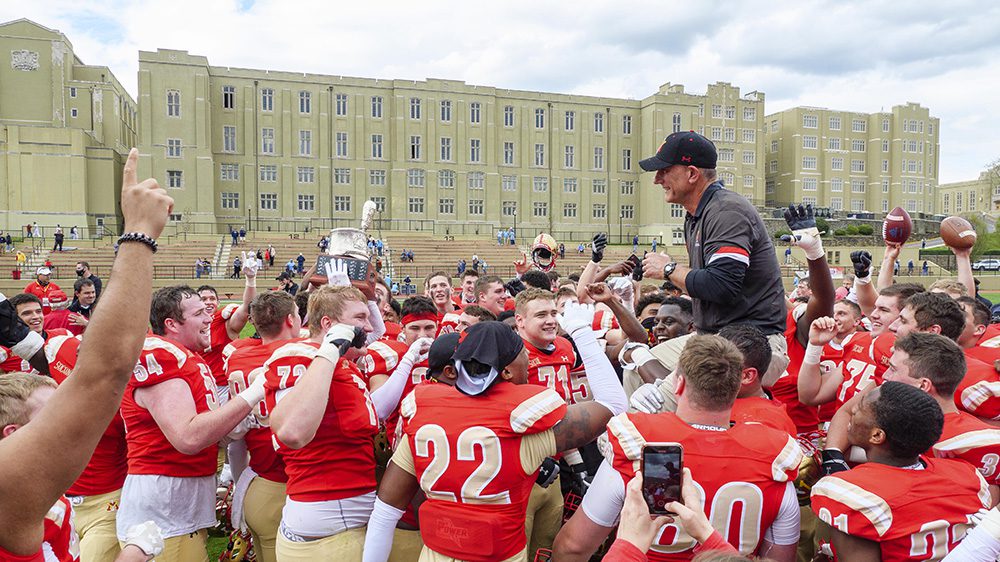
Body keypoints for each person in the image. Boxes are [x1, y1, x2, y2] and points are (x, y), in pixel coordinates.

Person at [0, 147, 172, 560]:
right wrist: (139, 234)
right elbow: (103, 373)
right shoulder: (10, 483)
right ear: (12, 437)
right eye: (52, 412)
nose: (66, 416)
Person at [363, 316, 628, 562]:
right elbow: (613, 403)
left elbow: (385, 511)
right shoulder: (528, 430)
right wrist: (581, 332)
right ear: (509, 372)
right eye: (523, 354)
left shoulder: (424, 416)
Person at [554, 335, 802, 561]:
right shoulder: (775, 453)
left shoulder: (637, 438)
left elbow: (574, 546)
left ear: (679, 384)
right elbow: (780, 558)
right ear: (737, 387)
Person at [118, 285, 264, 561]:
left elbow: (203, 432)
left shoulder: (186, 356)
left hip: (183, 498)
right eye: (199, 313)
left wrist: (235, 426)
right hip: (165, 501)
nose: (210, 318)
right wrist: (253, 393)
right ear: (172, 324)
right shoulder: (161, 354)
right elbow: (188, 437)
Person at [640, 131, 788, 383]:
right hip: (716, 336)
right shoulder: (698, 213)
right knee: (638, 365)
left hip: (752, 342)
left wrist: (669, 269)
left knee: (657, 398)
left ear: (692, 174)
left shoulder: (726, 210)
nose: (657, 179)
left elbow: (722, 285)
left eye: (664, 170)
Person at [812, 382, 990, 560]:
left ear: (877, 436)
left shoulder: (852, 492)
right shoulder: (967, 475)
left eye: (859, 409)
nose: (851, 412)